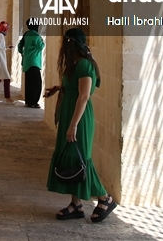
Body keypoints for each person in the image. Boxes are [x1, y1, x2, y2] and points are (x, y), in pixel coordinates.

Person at [45, 28, 117, 223]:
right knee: (70, 158)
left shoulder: (85, 65)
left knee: (81, 158)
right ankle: (75, 204)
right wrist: (58, 89)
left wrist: (74, 125)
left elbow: (84, 96)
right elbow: (74, 88)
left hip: (79, 119)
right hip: (70, 115)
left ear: (71, 44)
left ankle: (105, 198)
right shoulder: (75, 64)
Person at [17, 21, 44, 108]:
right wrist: (42, 40)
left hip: (27, 62)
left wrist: (23, 53)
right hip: (34, 62)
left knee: (29, 83)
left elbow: (19, 46)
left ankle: (28, 102)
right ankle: (33, 102)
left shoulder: (26, 34)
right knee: (36, 83)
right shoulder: (36, 35)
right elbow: (40, 46)